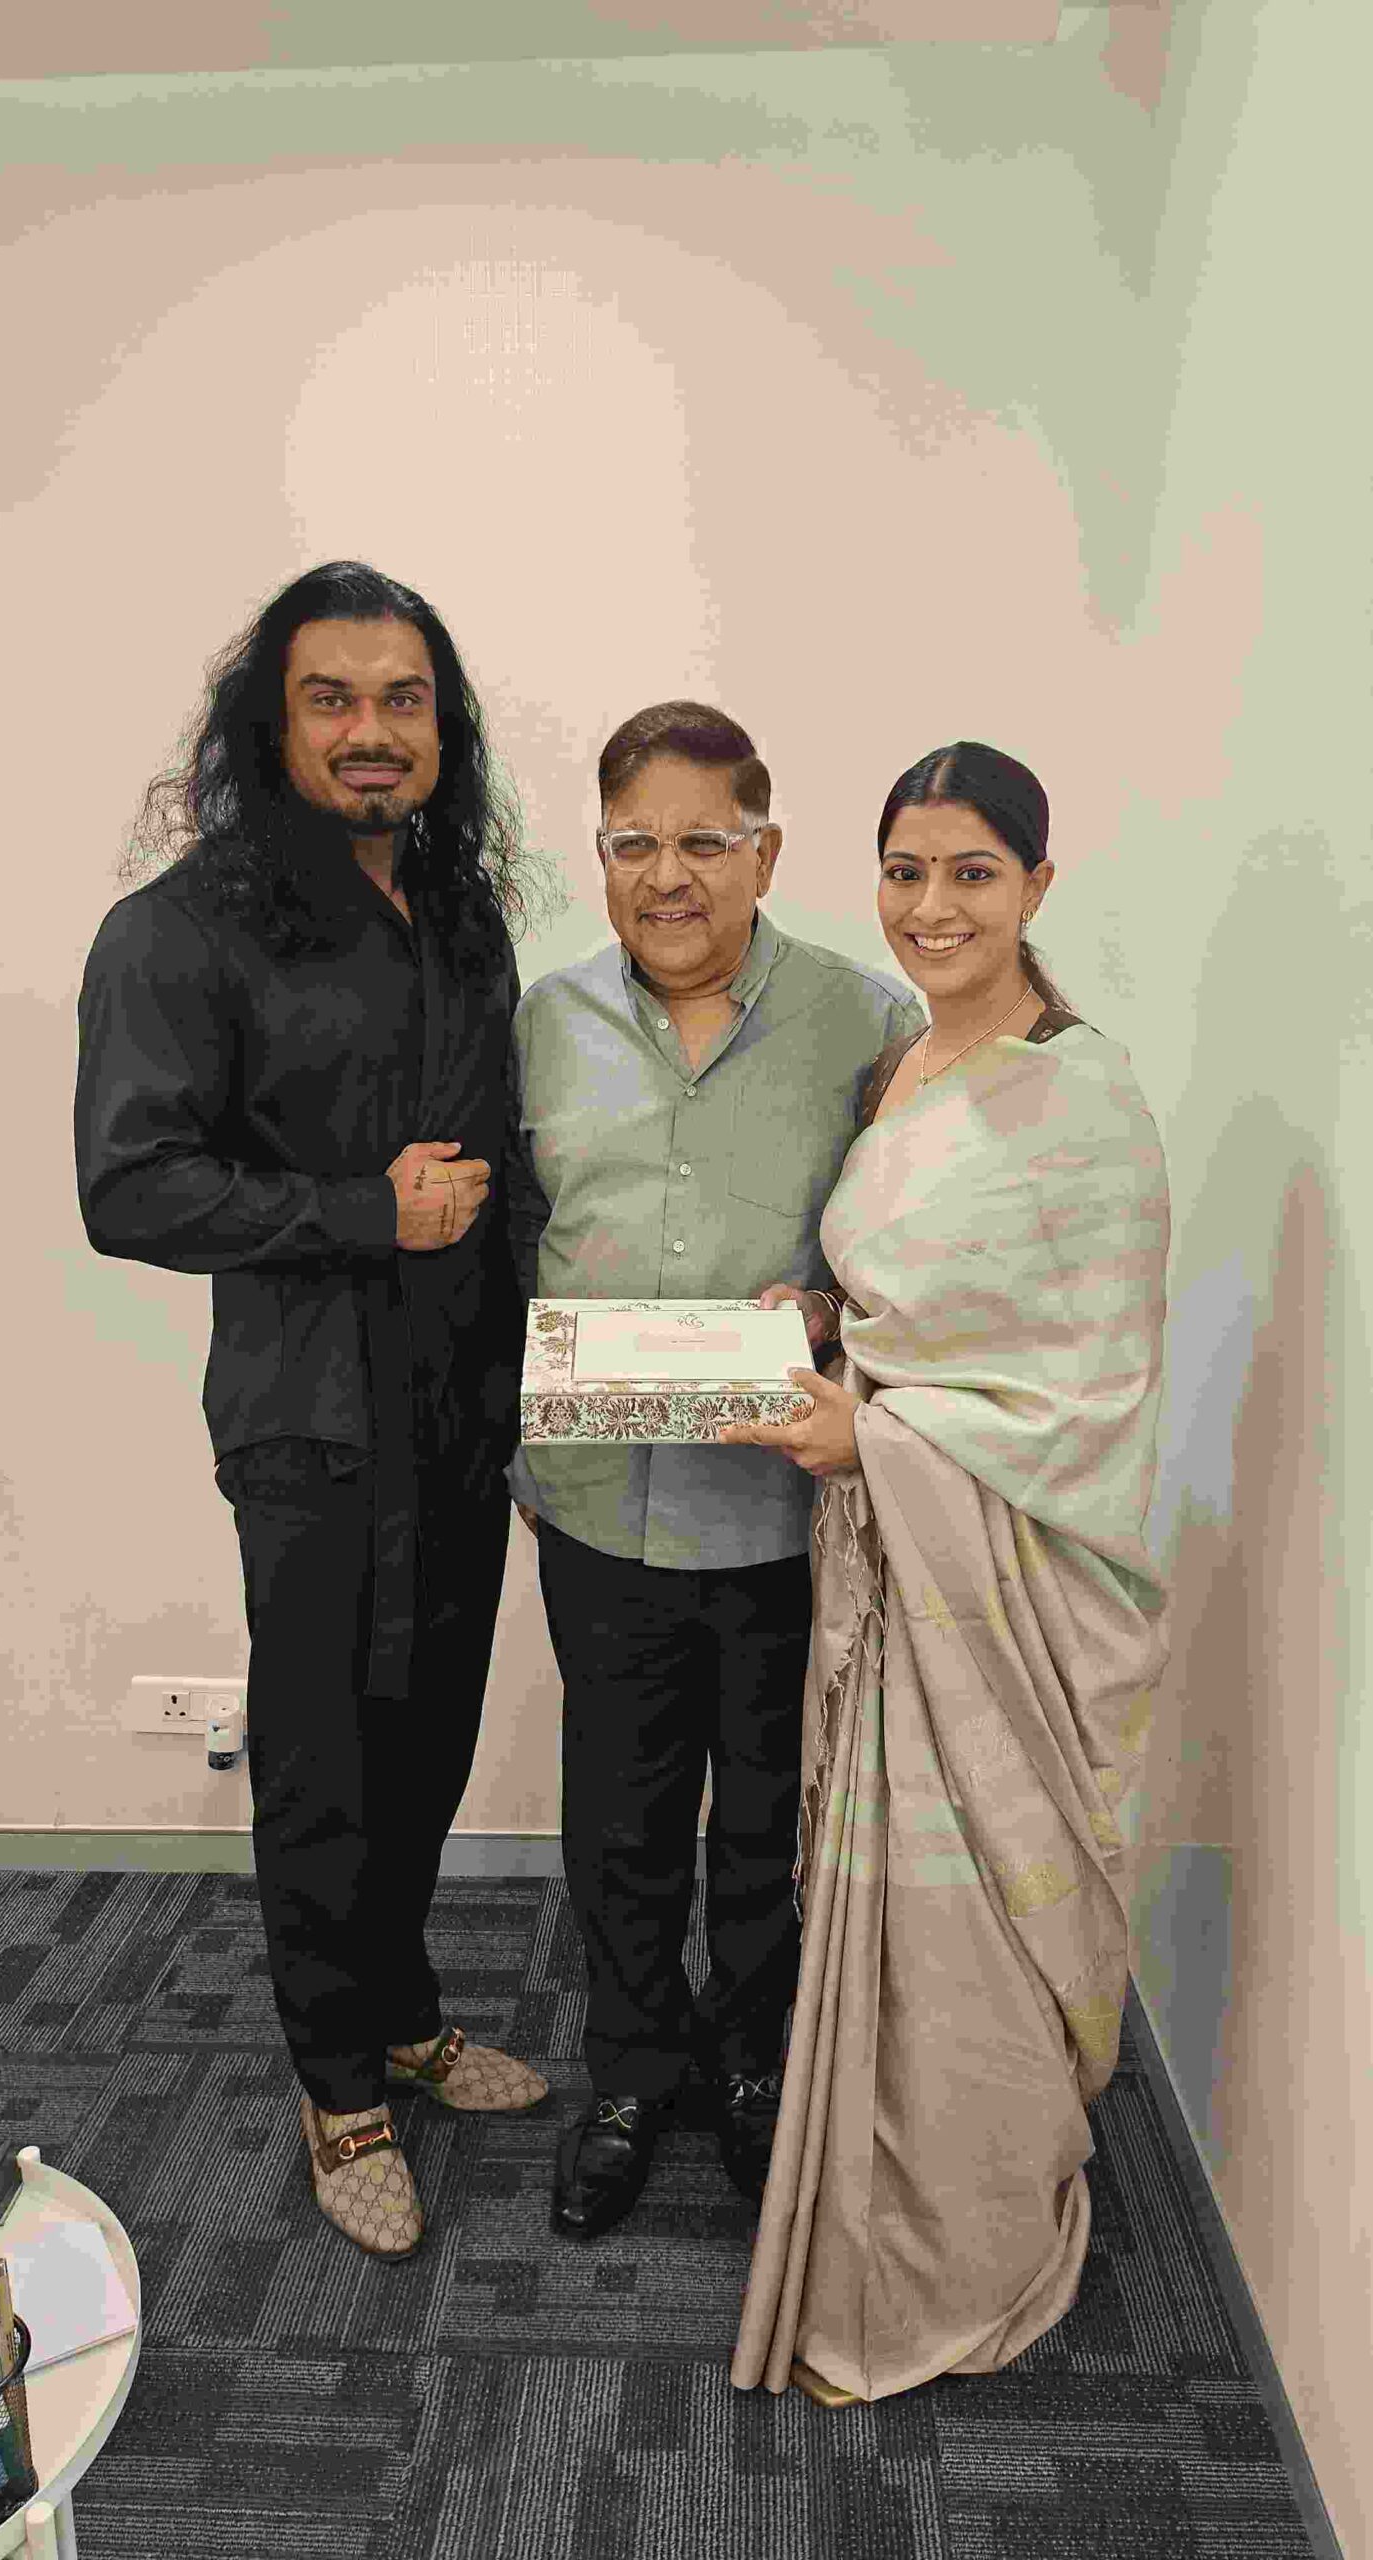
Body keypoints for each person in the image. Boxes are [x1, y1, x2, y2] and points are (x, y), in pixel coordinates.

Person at [74, 562, 551, 2265]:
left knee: (426, 1733)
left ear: (443, 729)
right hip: (311, 1422)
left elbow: (503, 1163)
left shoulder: (461, 914)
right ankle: (337, 2085)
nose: (370, 731)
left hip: (465, 1406)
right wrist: (363, 1211)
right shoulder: (181, 930)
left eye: (402, 700)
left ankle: (402, 2012)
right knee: (325, 1755)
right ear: (268, 724)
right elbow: (129, 1186)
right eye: (331, 699)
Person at [721, 740, 1171, 2403]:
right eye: (904, 872)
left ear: (1036, 885)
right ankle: (874, 2217)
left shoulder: (1083, 1102)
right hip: (894, 1562)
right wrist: (819, 1323)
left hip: (1002, 1589)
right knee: (888, 1916)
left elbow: (1084, 1392)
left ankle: (966, 2246)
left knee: (980, 1925)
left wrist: (882, 1438)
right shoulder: (904, 1069)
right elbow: (912, 1299)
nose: (931, 907)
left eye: (971, 872)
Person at [509, 701, 923, 2241]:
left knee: (763, 1819)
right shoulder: (542, 1021)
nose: (666, 875)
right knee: (617, 1819)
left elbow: (915, 1244)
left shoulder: (866, 1022)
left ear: (766, 850)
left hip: (777, 1508)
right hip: (594, 1504)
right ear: (599, 854)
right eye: (634, 843)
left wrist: (824, 1309)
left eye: (703, 841)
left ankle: (752, 2066)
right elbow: (506, 1238)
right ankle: (630, 2074)